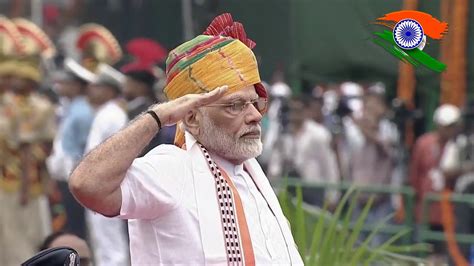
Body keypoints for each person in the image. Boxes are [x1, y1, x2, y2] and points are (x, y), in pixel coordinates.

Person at [69, 13, 303, 265]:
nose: (255, 115)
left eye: (255, 102)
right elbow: (87, 184)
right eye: (235, 105)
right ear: (192, 119)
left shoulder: (253, 176)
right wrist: (157, 116)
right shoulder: (172, 169)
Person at [0, 18, 56, 265]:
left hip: (27, 181)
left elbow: (45, 145)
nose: (12, 82)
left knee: (32, 231)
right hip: (5, 179)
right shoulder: (6, 106)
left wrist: (33, 155)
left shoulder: (41, 107)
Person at [84, 63, 130, 266]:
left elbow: (116, 153)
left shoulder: (113, 114)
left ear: (109, 90)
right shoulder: (105, 112)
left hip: (106, 181)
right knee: (101, 237)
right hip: (96, 180)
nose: (92, 90)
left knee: (110, 239)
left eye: (98, 86)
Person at [46, 57, 95, 240]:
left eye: (65, 83)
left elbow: (85, 147)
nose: (60, 86)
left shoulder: (82, 112)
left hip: (74, 173)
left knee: (75, 225)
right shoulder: (72, 108)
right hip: (65, 175)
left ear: (76, 86)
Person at [409, 104, 461, 262]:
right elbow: (415, 174)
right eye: (444, 126)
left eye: (451, 126)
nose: (447, 130)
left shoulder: (460, 145)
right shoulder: (424, 143)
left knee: (447, 254)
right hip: (426, 209)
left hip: (450, 210)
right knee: (424, 253)